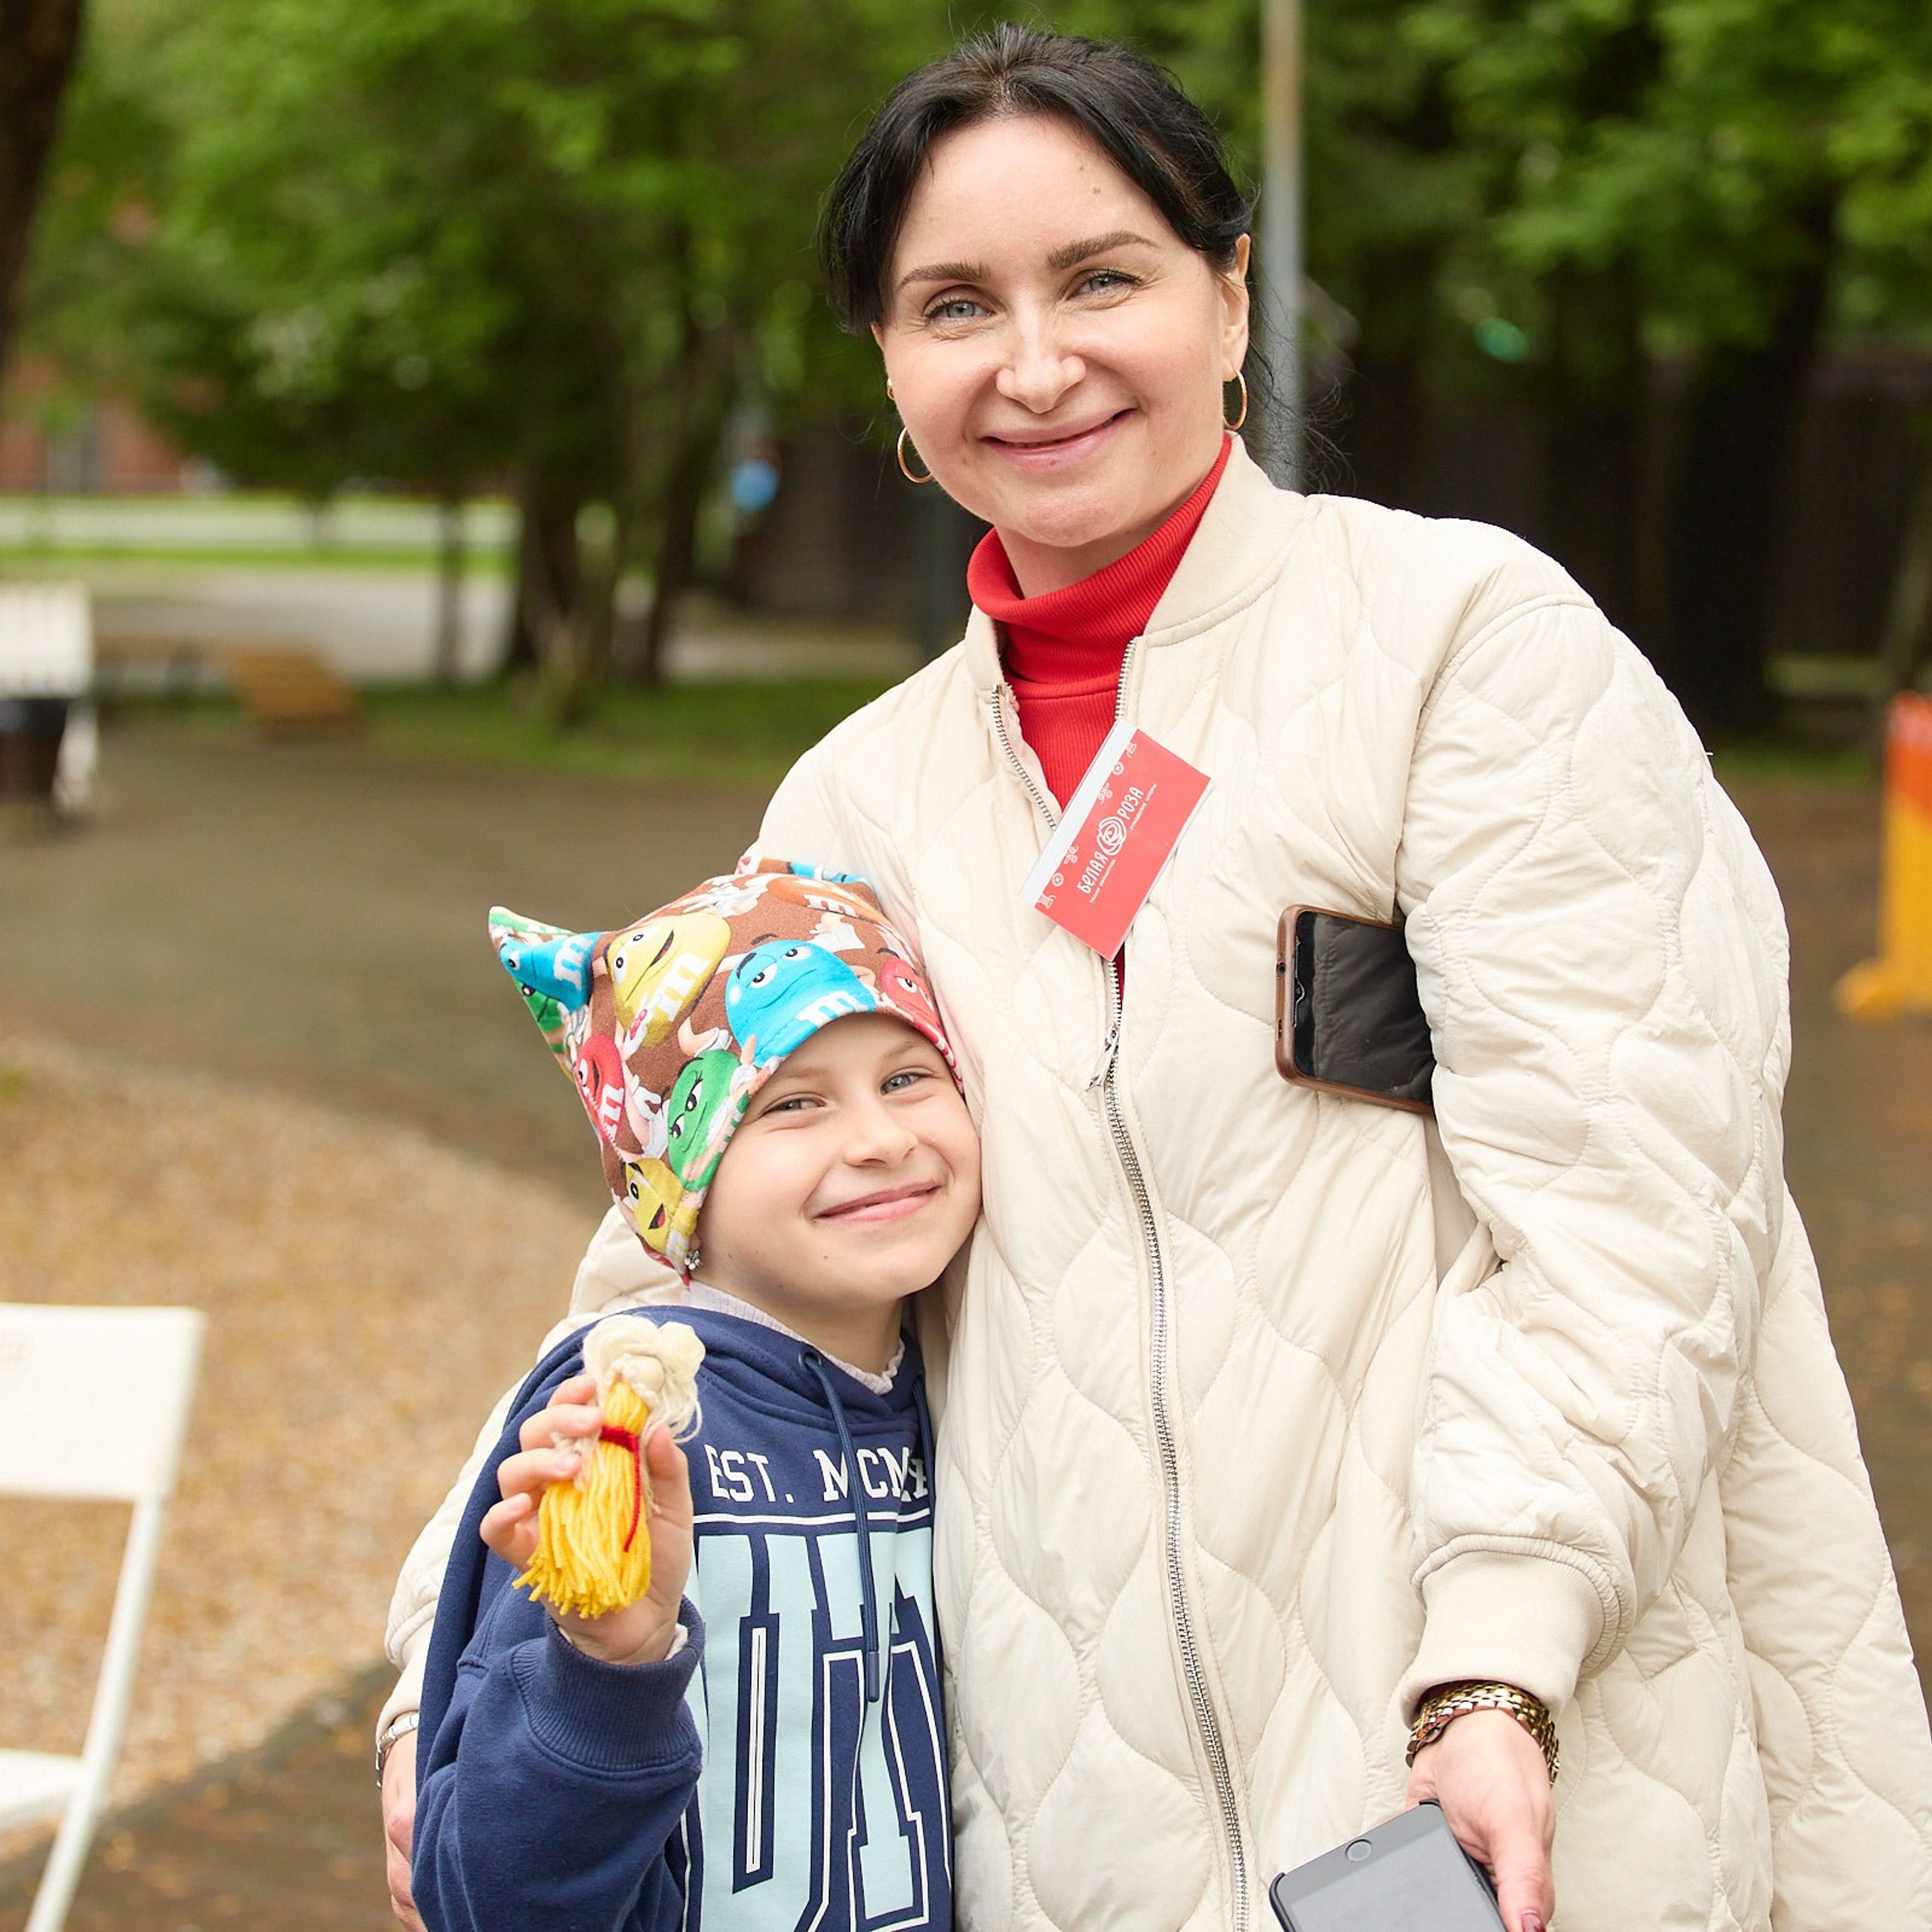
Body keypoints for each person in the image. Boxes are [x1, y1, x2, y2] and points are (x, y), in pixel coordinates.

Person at [384, 26, 1932, 1932]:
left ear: (1225, 297)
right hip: (1066, 1829)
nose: (1032, 363)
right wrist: (440, 1658)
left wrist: (1494, 1652)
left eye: (1099, 278)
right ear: (886, 364)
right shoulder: (860, 796)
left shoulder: (1463, 647)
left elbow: (1633, 1216)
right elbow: (683, 1252)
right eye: (954, 304)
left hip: (1518, 1762)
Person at [408, 862, 977, 1932]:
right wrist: (605, 1673)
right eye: (793, 1104)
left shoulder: (955, 1390)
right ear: (677, 1189)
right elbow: (486, 1899)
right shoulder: (618, 1430)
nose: (881, 1138)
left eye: (909, 1078)